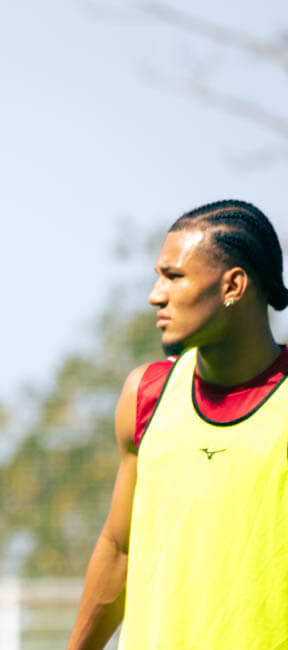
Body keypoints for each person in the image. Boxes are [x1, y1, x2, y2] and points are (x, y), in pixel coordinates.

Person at [67, 200, 288, 649]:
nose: (156, 295)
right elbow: (119, 551)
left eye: (174, 276)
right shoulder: (145, 395)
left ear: (233, 285)